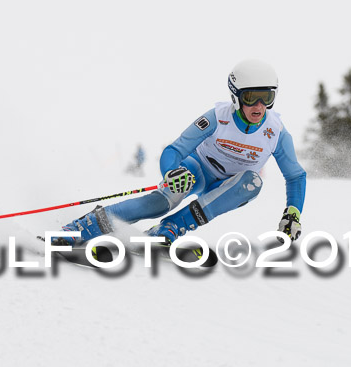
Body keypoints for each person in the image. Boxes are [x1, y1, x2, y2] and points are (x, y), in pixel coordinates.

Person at [54, 59, 306, 247]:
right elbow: (174, 150)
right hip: (197, 170)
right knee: (160, 202)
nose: (260, 106)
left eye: (267, 97)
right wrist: (171, 172)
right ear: (236, 96)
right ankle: (80, 228)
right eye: (252, 97)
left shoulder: (276, 132)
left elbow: (295, 176)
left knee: (253, 182)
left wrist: (293, 212)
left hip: (231, 185)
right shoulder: (218, 118)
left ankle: (170, 228)